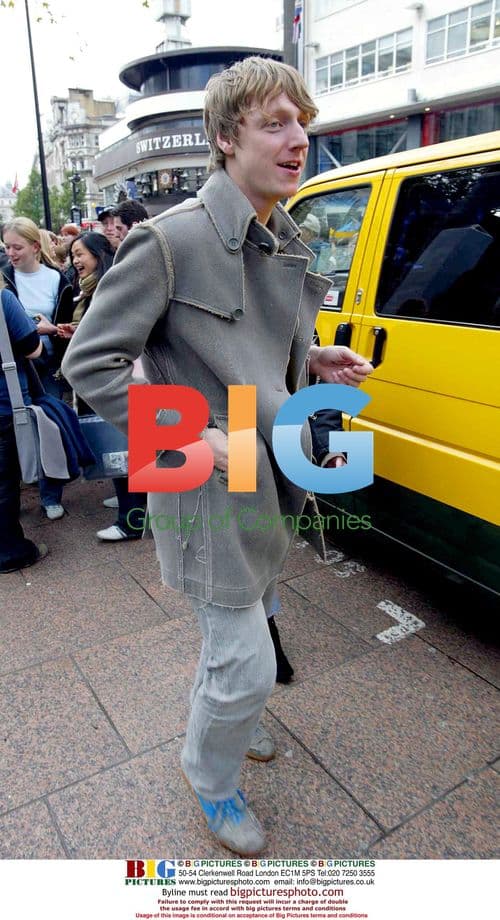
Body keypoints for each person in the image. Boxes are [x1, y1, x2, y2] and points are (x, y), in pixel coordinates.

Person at [63, 56, 373, 856]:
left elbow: (258, 358)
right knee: (241, 660)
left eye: (302, 121)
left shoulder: (285, 234)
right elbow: (89, 363)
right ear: (224, 137)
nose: (298, 138)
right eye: (275, 122)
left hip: (270, 479)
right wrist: (182, 437)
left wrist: (316, 365)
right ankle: (213, 777)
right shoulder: (171, 242)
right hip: (203, 483)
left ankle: (231, 724)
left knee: (246, 634)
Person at [61, 231, 146, 541]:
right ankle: (133, 509)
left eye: (80, 254)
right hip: (117, 378)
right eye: (72, 255)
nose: (75, 261)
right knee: (125, 450)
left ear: (98, 254)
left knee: (123, 447)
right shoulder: (93, 288)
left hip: (118, 379)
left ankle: (131, 520)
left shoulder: (107, 288)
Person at [1, 217, 74, 519]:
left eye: (17, 247)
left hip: (48, 365)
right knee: (13, 433)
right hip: (15, 367)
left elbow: (67, 325)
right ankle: (14, 497)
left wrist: (50, 329)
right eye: (7, 247)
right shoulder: (5, 280)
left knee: (49, 430)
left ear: (34, 246)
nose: (11, 253)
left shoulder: (58, 279)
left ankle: (51, 495)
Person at [0, 279, 48, 573]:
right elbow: (34, 349)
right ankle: (9, 551)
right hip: (3, 405)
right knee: (4, 483)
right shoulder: (3, 299)